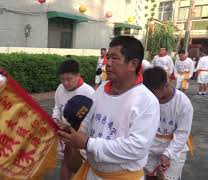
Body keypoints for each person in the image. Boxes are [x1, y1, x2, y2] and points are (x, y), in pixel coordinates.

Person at [58, 36, 160, 180]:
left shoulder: (147, 101)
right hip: (92, 173)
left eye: (114, 58)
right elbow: (87, 121)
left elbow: (136, 148)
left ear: (133, 64)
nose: (108, 64)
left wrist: (88, 143)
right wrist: (72, 131)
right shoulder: (101, 90)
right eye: (107, 58)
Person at [143, 67, 193, 180]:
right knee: (148, 175)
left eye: (153, 92)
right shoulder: (147, 99)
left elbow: (182, 133)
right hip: (151, 143)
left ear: (165, 85)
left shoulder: (183, 103)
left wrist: (168, 153)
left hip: (174, 145)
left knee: (167, 177)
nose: (150, 96)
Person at [52, 59, 95, 179]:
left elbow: (92, 118)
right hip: (64, 132)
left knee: (79, 166)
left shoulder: (89, 92)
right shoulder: (60, 89)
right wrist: (55, 119)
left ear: (78, 76)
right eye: (62, 79)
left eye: (69, 79)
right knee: (65, 162)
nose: (65, 83)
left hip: (81, 135)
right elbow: (57, 107)